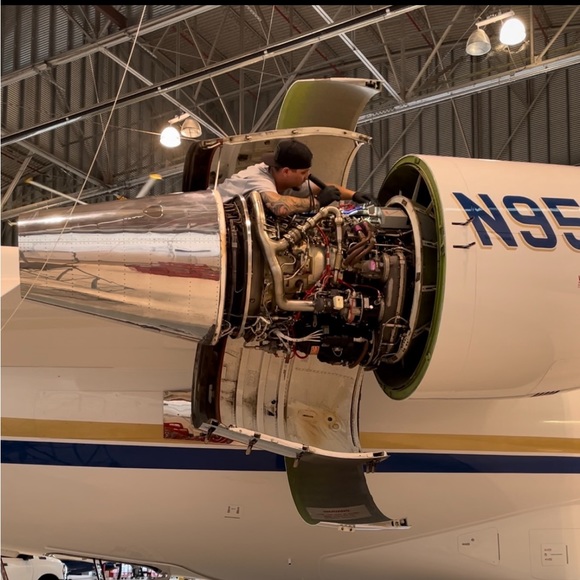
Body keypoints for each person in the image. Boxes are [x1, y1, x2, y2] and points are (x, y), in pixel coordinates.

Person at [216, 138, 374, 217]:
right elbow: (280, 207)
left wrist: (354, 195)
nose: (307, 177)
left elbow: (324, 187)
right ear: (286, 171)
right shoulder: (259, 179)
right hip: (212, 221)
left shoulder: (281, 175)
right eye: (303, 173)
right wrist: (317, 202)